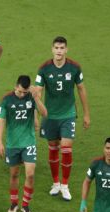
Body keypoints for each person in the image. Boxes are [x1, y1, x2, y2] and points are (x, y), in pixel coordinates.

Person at [35, 36, 90, 200]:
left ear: (66, 50)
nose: (59, 51)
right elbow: (38, 91)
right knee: (53, 148)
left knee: (66, 148)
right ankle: (56, 183)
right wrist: (36, 114)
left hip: (68, 114)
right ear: (52, 49)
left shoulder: (74, 67)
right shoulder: (44, 68)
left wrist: (86, 114)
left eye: (62, 48)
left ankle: (65, 185)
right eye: (56, 48)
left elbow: (81, 89)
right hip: (50, 115)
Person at [0, 75, 47, 212]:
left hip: (28, 142)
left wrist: (36, 97)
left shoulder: (31, 97)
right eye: (20, 92)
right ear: (15, 87)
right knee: (14, 174)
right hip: (12, 144)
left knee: (30, 174)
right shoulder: (6, 99)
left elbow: (45, 113)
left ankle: (25, 205)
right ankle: (14, 203)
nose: (22, 95)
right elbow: (1, 121)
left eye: (25, 92)